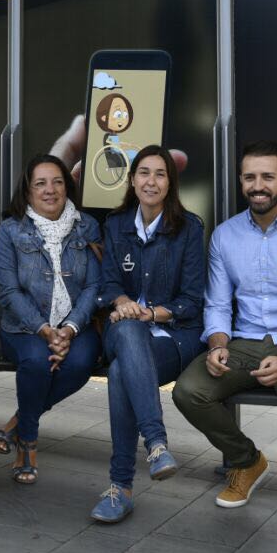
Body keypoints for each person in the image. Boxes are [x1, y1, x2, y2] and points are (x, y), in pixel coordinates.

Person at [172, 141, 277, 520]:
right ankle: (246, 461)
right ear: (241, 182)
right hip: (244, 342)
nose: (258, 185)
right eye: (250, 177)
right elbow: (216, 304)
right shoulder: (225, 236)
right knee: (189, 391)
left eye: (268, 176)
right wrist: (217, 344)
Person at [89, 146, 207, 523]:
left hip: (173, 335)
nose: (150, 181)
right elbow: (107, 282)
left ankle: (120, 486)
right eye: (143, 173)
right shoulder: (116, 224)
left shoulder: (189, 228)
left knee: (123, 372)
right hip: (124, 329)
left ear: (170, 182)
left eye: (159, 174)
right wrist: (123, 301)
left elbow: (192, 299)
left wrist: (151, 312)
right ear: (132, 179)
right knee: (126, 330)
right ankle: (156, 443)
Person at [0, 154, 102, 485]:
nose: (50, 190)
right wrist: (45, 331)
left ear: (67, 187)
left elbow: (94, 286)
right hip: (24, 327)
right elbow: (8, 292)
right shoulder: (10, 230)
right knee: (37, 362)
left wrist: (68, 329)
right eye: (40, 183)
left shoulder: (88, 226)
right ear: (27, 192)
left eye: (57, 182)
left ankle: (19, 423)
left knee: (81, 363)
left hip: (76, 325)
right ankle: (28, 444)